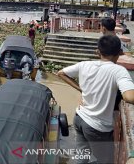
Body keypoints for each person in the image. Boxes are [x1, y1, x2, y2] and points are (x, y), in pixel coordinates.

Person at [57, 35, 134, 164]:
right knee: (105, 160)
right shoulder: (119, 71)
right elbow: (129, 97)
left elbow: (61, 73)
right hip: (97, 126)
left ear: (98, 51)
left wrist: (81, 89)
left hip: (79, 118)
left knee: (81, 157)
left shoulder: (85, 65)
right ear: (119, 53)